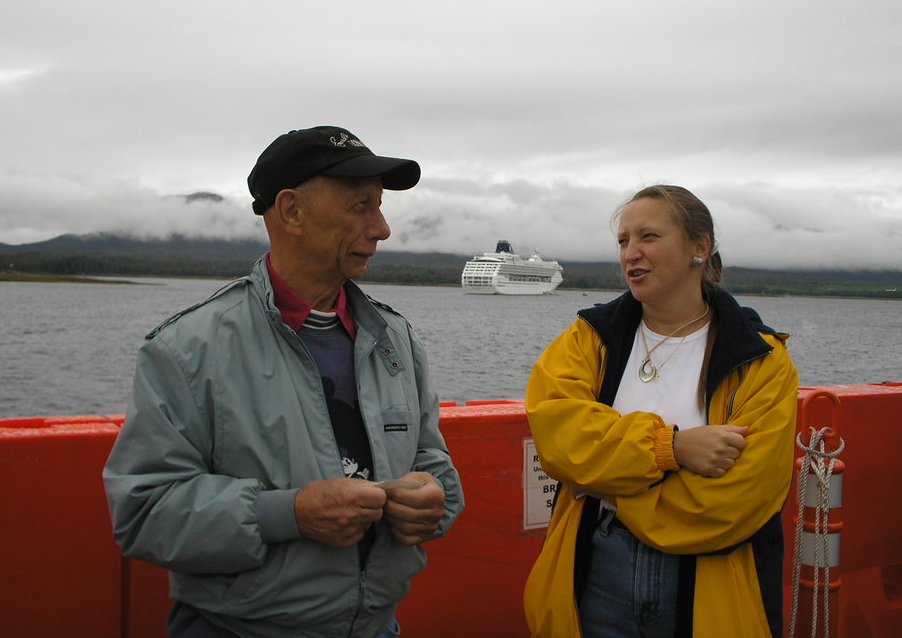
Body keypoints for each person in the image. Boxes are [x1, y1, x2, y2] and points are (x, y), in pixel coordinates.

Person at [104, 126, 464, 638]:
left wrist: (432, 498)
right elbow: (144, 512)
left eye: (380, 206)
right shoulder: (187, 347)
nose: (382, 229)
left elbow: (432, 463)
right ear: (291, 211)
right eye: (360, 206)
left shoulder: (396, 338)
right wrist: (289, 514)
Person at [523, 185, 798, 637]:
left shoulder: (761, 358)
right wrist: (671, 448)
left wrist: (609, 490)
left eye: (648, 236)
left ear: (699, 246)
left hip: (709, 578)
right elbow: (560, 438)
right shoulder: (588, 338)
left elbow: (739, 499)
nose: (631, 253)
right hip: (597, 569)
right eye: (623, 240)